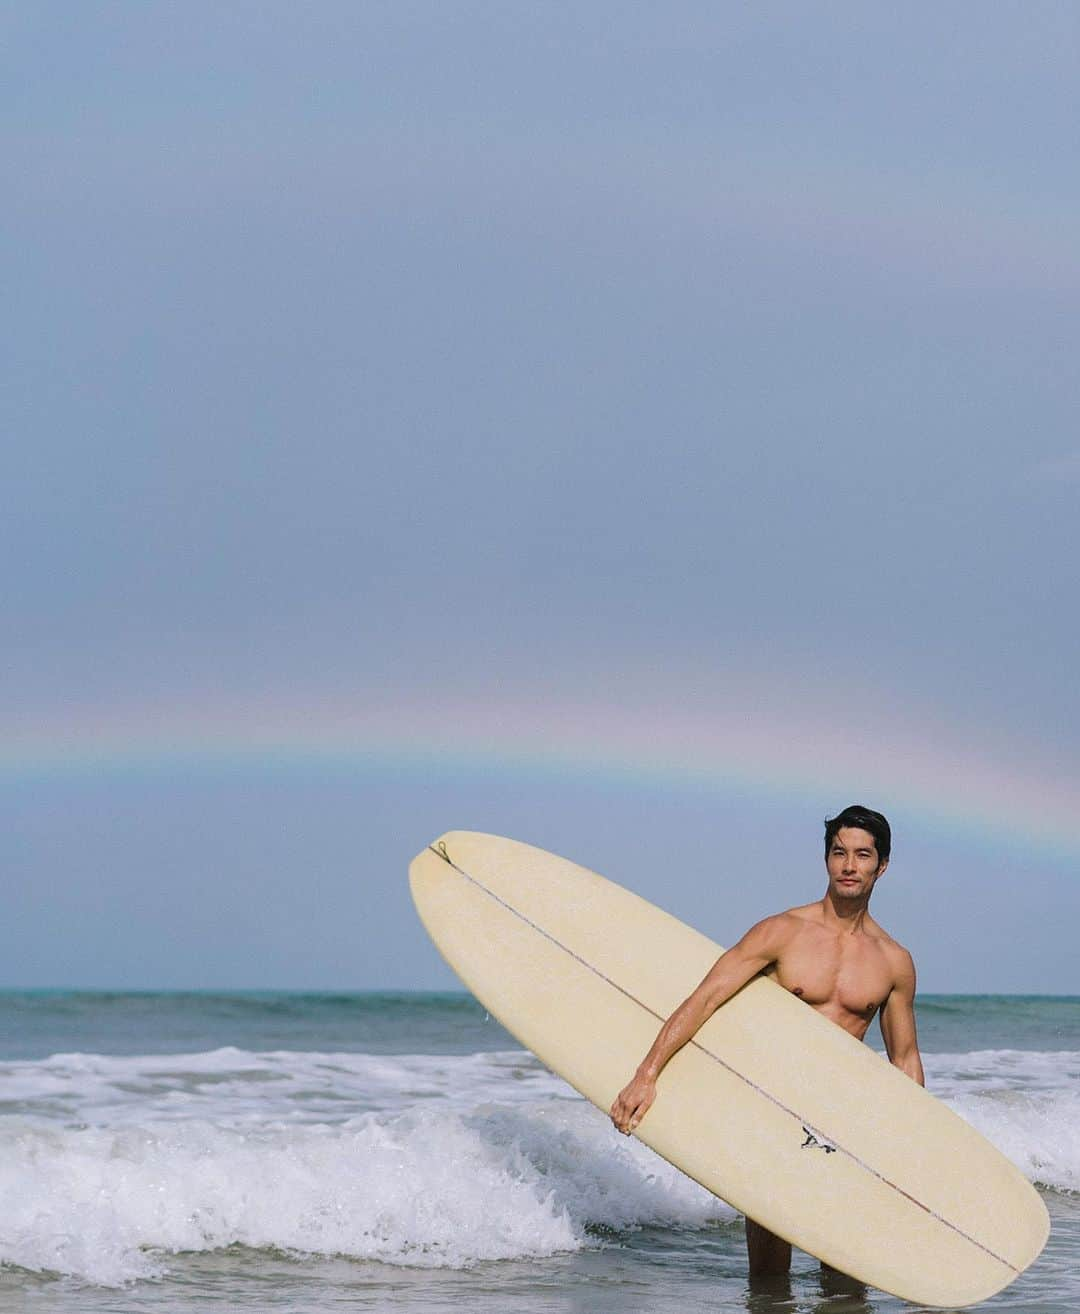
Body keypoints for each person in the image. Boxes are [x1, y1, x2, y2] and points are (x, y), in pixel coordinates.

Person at [609, 803, 924, 1277]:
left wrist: (916, 1144)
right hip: (774, 1103)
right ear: (826, 859)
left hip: (843, 1112)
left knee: (845, 1277)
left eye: (862, 855)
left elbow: (905, 1058)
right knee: (770, 1275)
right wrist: (646, 1074)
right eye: (839, 852)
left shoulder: (893, 961)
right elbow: (704, 1000)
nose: (848, 865)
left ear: (882, 866)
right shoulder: (782, 932)